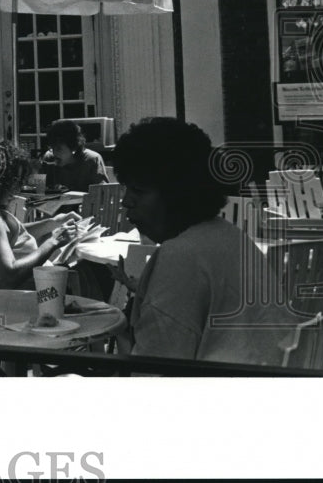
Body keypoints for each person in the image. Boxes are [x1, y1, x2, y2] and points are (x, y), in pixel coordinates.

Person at [110, 117, 297, 364]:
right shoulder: (229, 234)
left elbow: (153, 370)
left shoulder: (179, 255)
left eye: (138, 191)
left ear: (177, 195)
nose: (126, 201)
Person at [0, 139, 81, 290]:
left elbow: (13, 235)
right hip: (38, 293)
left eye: (21, 181)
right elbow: (10, 275)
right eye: (14, 181)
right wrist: (53, 242)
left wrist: (54, 222)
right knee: (87, 271)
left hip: (40, 284)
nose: (17, 189)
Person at [42, 119, 109, 193]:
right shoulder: (48, 158)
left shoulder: (91, 159)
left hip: (85, 203)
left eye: (58, 149)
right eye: (52, 148)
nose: (54, 153)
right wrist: (34, 171)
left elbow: (103, 192)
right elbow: (38, 191)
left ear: (73, 147)